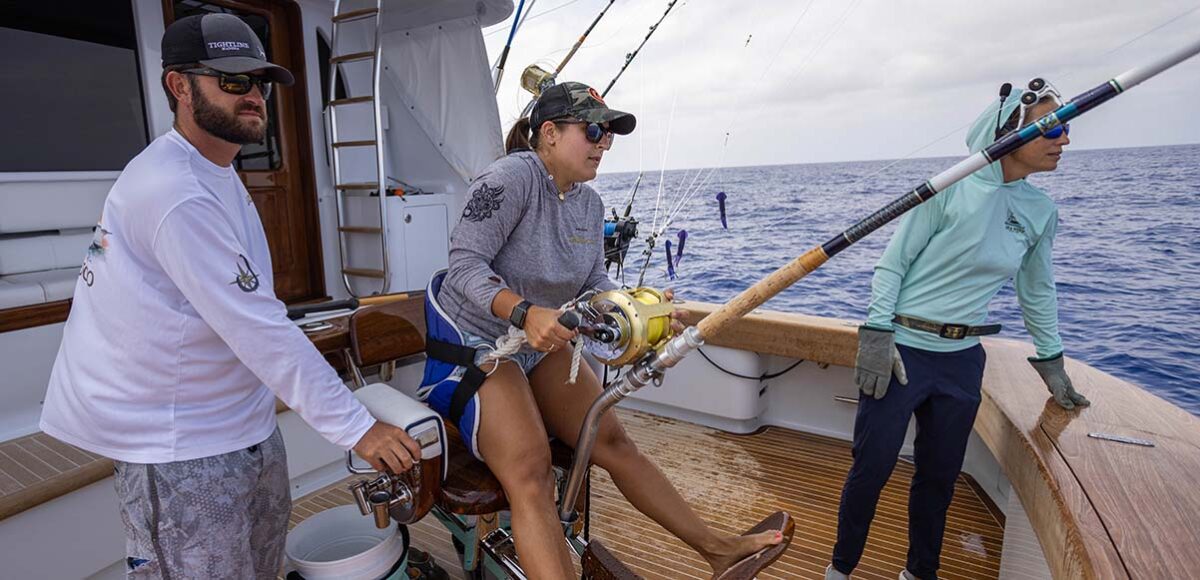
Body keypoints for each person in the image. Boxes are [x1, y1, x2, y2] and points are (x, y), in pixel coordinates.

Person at [39, 14, 420, 579]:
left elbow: (247, 314)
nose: (254, 95)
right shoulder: (172, 190)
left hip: (243, 425)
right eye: (233, 80)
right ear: (179, 85)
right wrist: (358, 428)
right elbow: (258, 329)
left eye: (260, 81)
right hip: (177, 446)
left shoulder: (215, 169)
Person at [419, 81, 793, 579]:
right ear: (549, 133)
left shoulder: (589, 206)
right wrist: (525, 312)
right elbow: (464, 265)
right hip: (477, 351)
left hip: (539, 347)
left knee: (611, 441)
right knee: (532, 474)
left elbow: (594, 284)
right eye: (593, 131)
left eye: (609, 134)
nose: (604, 143)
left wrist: (641, 311)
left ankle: (718, 548)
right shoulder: (509, 178)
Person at [825, 80, 1092, 580]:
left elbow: (1037, 291)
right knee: (872, 468)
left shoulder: (1040, 212)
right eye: (1052, 127)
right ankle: (840, 569)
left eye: (1066, 126)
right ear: (1009, 132)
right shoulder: (948, 187)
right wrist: (877, 333)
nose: (1065, 139)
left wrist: (1052, 361)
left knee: (939, 479)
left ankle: (919, 573)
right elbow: (892, 265)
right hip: (903, 352)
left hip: (963, 360)